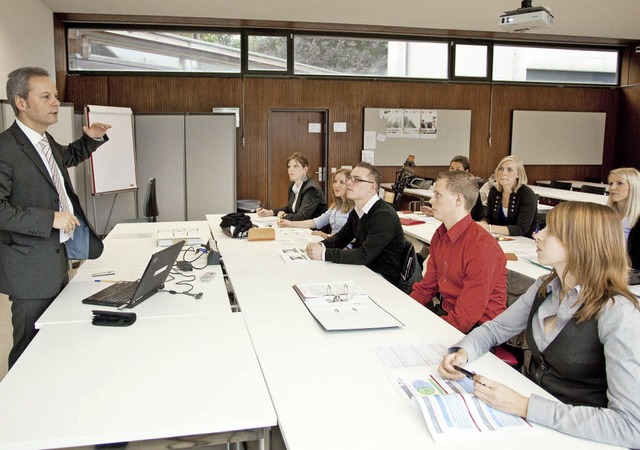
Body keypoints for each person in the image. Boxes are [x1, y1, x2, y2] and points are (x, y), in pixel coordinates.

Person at [439, 201, 640, 448]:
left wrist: (525, 405)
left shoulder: (618, 313)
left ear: (582, 243)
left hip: (582, 436)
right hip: (534, 423)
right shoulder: (545, 287)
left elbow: (631, 427)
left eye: (551, 231)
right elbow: (495, 329)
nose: (537, 234)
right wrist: (463, 352)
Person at [0, 67, 111, 368]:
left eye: (56, 96)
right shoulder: (5, 149)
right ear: (20, 103)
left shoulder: (44, 141)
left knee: (54, 339)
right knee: (29, 347)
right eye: (46, 96)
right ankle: (18, 406)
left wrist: (90, 140)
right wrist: (50, 218)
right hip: (29, 267)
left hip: (57, 258)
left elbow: (68, 157)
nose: (55, 103)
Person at [410, 171, 507, 333]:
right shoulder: (440, 235)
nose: (432, 200)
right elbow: (426, 288)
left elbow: (466, 317)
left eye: (438, 195)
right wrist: (405, 309)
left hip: (480, 329)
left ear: (458, 199)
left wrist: (430, 330)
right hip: (449, 316)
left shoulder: (481, 246)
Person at [306, 162, 407, 287]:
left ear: (372, 187)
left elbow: (364, 255)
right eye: (350, 178)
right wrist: (320, 245)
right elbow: (342, 238)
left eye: (357, 180)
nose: (349, 183)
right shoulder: (357, 210)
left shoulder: (383, 215)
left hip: (382, 280)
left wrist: (324, 253)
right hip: (364, 270)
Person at [279, 168, 354, 238]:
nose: (336, 185)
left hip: (345, 248)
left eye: (342, 182)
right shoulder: (335, 207)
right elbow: (316, 222)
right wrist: (290, 224)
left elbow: (354, 238)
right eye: (335, 181)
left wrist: (326, 236)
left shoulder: (355, 208)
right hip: (333, 244)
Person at [256, 152, 327, 221]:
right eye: (289, 166)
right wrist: (270, 212)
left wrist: (283, 216)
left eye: (295, 166)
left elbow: (302, 216)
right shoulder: (293, 185)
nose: (291, 169)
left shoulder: (311, 189)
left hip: (313, 230)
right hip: (299, 226)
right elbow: (290, 209)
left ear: (305, 169)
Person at [478, 155, 537, 237]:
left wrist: (490, 228)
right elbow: (489, 217)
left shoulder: (527, 195)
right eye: (501, 169)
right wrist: (482, 224)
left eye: (509, 170)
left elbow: (521, 228)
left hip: (524, 242)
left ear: (518, 174)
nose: (503, 173)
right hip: (501, 239)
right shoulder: (494, 191)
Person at [421, 155, 483, 220]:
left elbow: (475, 216)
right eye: (452, 168)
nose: (453, 171)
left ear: (466, 171)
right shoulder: (445, 186)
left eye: (458, 169)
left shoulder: (470, 189)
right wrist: (434, 212)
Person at [606, 167, 640, 271]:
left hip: (628, 274)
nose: (612, 188)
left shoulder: (637, 219)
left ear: (634, 187)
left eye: (619, 183)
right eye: (611, 183)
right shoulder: (606, 214)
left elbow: (637, 261)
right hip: (604, 268)